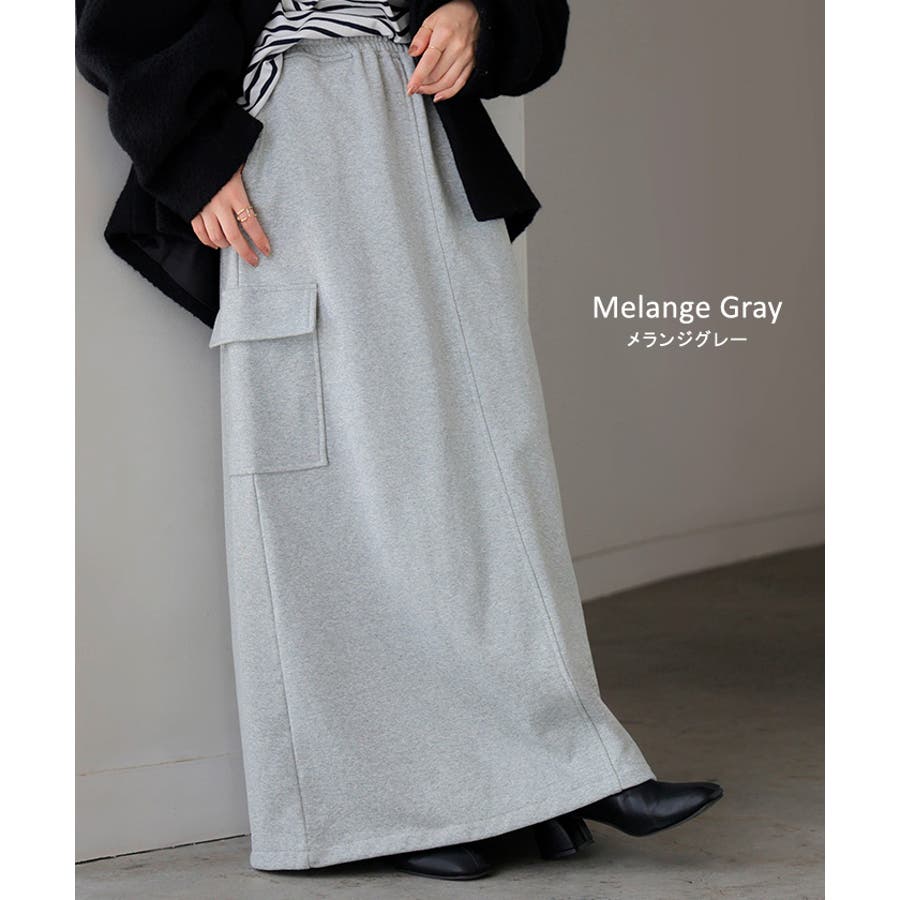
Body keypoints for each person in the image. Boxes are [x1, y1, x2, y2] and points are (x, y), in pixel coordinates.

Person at [75, 0, 723, 882]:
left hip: (423, 124)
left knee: (488, 470)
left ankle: (548, 774)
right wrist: (190, 158)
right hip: (285, 138)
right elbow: (117, 22)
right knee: (330, 489)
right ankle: (392, 808)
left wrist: (476, 14)